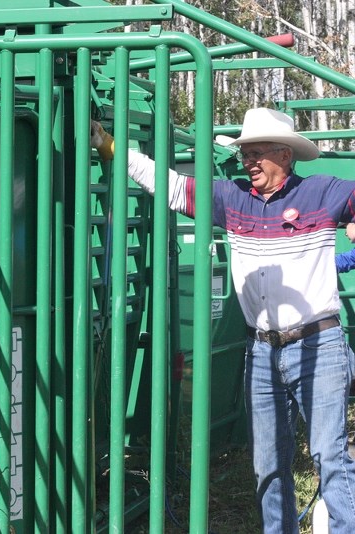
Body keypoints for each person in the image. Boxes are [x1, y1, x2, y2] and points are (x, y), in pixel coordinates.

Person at [91, 107, 355, 534]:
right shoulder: (232, 199)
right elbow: (172, 187)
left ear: (285, 155)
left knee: (330, 454)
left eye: (256, 154)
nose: (247, 162)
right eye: (244, 155)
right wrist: (109, 145)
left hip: (318, 345)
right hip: (262, 348)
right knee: (268, 462)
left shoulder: (322, 192)